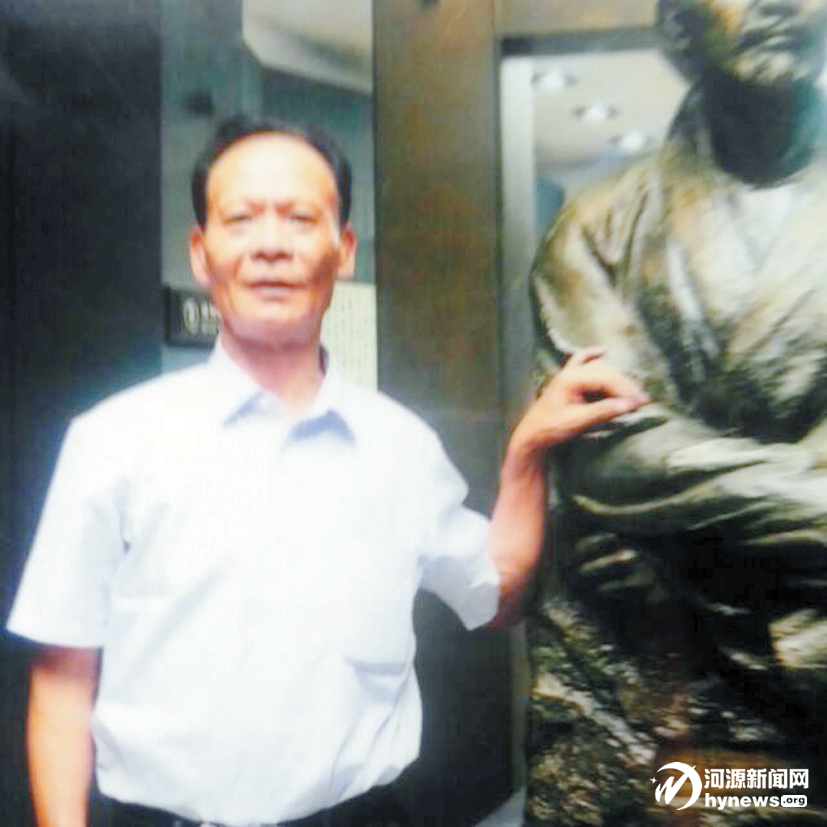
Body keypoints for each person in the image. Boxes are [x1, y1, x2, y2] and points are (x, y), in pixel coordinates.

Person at [7, 115, 647, 827]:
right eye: (241, 219)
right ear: (200, 252)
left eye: (299, 218)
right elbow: (61, 683)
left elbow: (495, 591)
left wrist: (527, 453)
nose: (271, 245)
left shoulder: (401, 450)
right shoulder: (112, 441)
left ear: (342, 251)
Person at [526, 1, 827, 824]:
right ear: (676, 28)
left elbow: (655, 476)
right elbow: (615, 457)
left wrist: (679, 533)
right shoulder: (599, 224)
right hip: (660, 677)